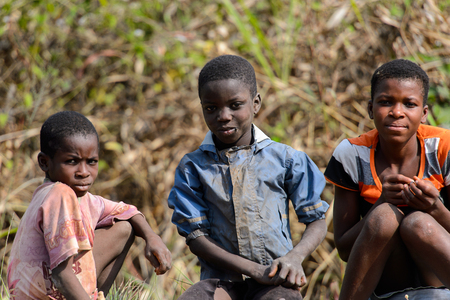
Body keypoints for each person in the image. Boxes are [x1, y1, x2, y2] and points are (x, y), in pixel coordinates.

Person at [168, 55, 329, 300]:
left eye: (235, 105)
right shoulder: (194, 167)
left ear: (255, 103)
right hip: (221, 282)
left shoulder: (286, 159)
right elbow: (195, 237)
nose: (223, 116)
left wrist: (294, 258)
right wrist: (254, 270)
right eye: (211, 108)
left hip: (275, 280)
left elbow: (316, 220)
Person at [7, 111, 172, 300]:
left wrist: (152, 237)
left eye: (91, 162)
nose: (84, 172)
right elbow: (61, 275)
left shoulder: (83, 198)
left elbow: (128, 211)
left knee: (124, 227)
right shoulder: (59, 194)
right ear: (44, 162)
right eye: (72, 161)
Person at [325, 59, 450, 300]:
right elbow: (343, 249)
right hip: (387, 285)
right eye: (385, 102)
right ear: (370, 109)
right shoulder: (352, 154)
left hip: (439, 279)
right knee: (384, 217)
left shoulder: (443, 147)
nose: (397, 112)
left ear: (424, 113)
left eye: (409, 104)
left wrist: (435, 208)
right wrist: (381, 203)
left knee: (418, 224)